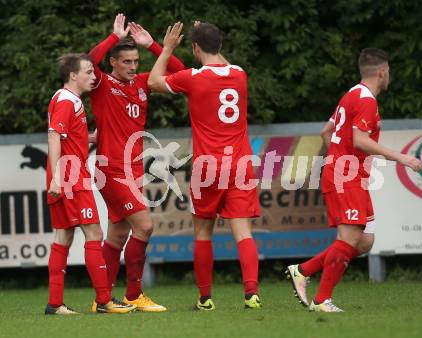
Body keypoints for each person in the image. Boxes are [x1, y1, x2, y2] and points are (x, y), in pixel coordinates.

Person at [285, 48, 422, 312]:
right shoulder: (367, 100)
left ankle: (303, 270)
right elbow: (360, 140)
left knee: (364, 241)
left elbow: (326, 132)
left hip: (348, 174)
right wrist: (401, 158)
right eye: (389, 72)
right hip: (345, 176)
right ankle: (322, 300)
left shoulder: (352, 93)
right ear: (382, 72)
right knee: (349, 238)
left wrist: (341, 159)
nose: (388, 76)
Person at [148, 22, 262, 310]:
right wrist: (207, 35)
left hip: (208, 167)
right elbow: (219, 60)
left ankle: (205, 298)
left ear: (195, 48)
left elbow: (153, 81)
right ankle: (251, 294)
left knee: (203, 233)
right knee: (244, 233)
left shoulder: (193, 78)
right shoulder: (239, 75)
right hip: (240, 164)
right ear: (220, 46)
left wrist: (168, 47)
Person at [88, 14, 185, 312]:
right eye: (126, 61)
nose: (132, 66)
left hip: (131, 171)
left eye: (135, 61)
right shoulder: (102, 84)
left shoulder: (143, 83)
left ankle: (101, 300)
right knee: (144, 226)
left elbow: (181, 73)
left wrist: (153, 45)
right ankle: (133, 295)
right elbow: (89, 62)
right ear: (114, 63)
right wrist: (114, 38)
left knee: (117, 234)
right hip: (112, 170)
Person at [45, 53, 136, 315]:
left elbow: (66, 137)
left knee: (63, 236)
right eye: (87, 71)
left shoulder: (64, 99)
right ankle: (104, 301)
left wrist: (88, 137)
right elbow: (54, 137)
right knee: (94, 234)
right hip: (71, 177)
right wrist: (57, 178)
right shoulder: (67, 101)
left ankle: (55, 303)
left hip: (66, 175)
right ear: (73, 75)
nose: (93, 76)